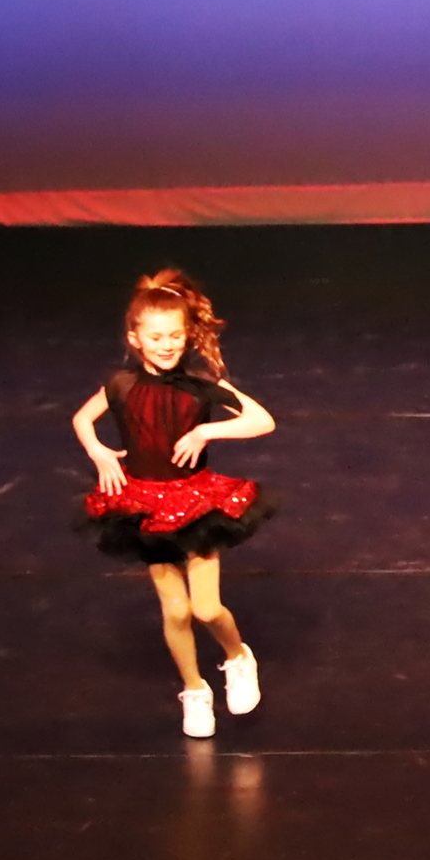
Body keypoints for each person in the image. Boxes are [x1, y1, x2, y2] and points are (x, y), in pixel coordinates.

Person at [71, 269, 277, 738]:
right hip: (144, 506)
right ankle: (194, 689)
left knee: (206, 609)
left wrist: (207, 430)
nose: (167, 345)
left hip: (197, 503)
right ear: (135, 339)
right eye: (156, 337)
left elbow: (261, 420)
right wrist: (98, 452)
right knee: (176, 611)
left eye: (176, 336)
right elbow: (83, 419)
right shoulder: (120, 384)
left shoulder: (199, 383)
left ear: (186, 336)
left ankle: (238, 657)